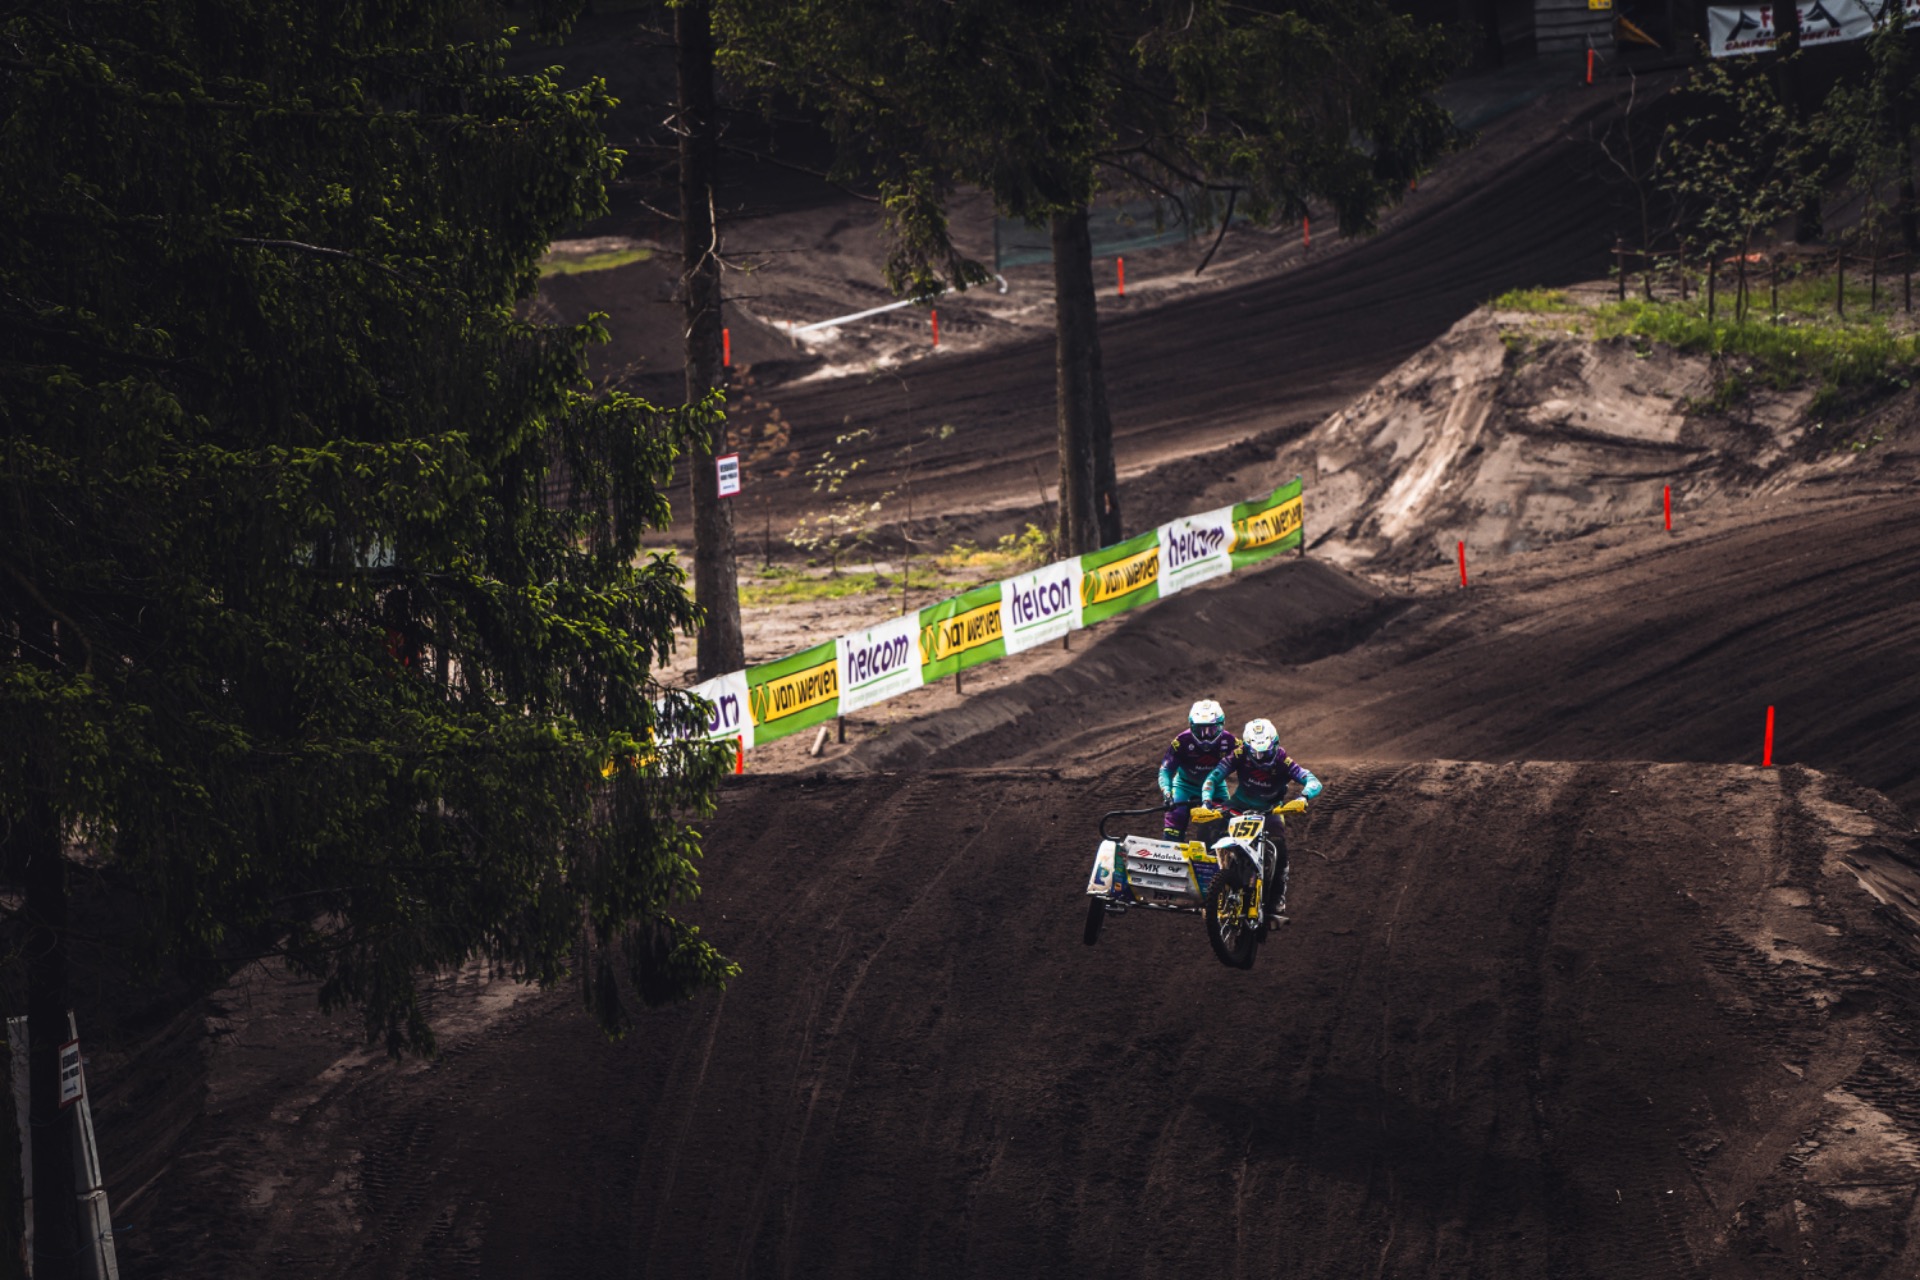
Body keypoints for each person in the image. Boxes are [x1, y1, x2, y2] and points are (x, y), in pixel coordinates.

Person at [1202, 719, 1322, 918]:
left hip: (1270, 809)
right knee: (1210, 827)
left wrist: (1303, 797)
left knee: (1279, 848)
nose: (1261, 757)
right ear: (1247, 747)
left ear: (1275, 744)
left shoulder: (1283, 760)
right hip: (1239, 805)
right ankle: (1210, 888)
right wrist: (1206, 802)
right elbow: (1213, 777)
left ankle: (1277, 896)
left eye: (1265, 752)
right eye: (1256, 752)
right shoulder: (1239, 754)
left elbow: (1313, 781)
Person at [1158, 700, 1237, 840]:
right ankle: (1171, 849)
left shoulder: (1230, 741)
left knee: (1223, 826)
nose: (1205, 736)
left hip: (1216, 788)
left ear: (1221, 726)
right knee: (1175, 818)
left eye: (1211, 730)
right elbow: (1166, 770)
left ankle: (1217, 851)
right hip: (1184, 786)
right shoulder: (1181, 741)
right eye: (1200, 730)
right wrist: (1167, 794)